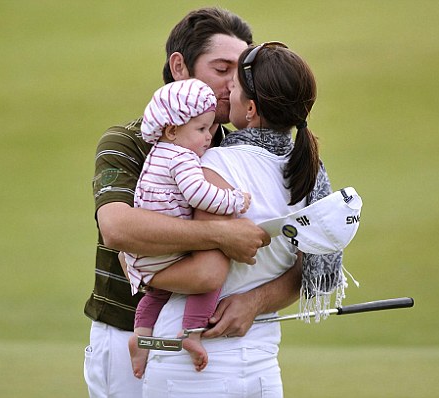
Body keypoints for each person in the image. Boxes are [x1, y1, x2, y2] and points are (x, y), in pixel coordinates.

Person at [83, 8, 310, 398]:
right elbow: (117, 228)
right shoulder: (127, 141)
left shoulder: (237, 148)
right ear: (179, 67)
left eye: (240, 72)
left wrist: (256, 301)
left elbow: (303, 257)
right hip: (126, 331)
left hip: (210, 346)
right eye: (222, 68)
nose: (232, 84)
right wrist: (221, 234)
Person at [142, 41, 347, 397]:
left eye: (233, 88)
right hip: (262, 365)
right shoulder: (309, 173)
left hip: (192, 364)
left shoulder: (215, 165)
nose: (225, 93)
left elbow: (206, 273)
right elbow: (307, 275)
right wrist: (255, 301)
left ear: (250, 109)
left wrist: (143, 271)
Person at [123, 78, 251, 378]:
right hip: (166, 253)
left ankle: (140, 336)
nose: (209, 137)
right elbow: (199, 194)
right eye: (201, 129)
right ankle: (191, 335)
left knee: (155, 294)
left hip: (144, 254)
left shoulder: (158, 152)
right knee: (210, 281)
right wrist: (234, 201)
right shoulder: (183, 158)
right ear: (172, 129)